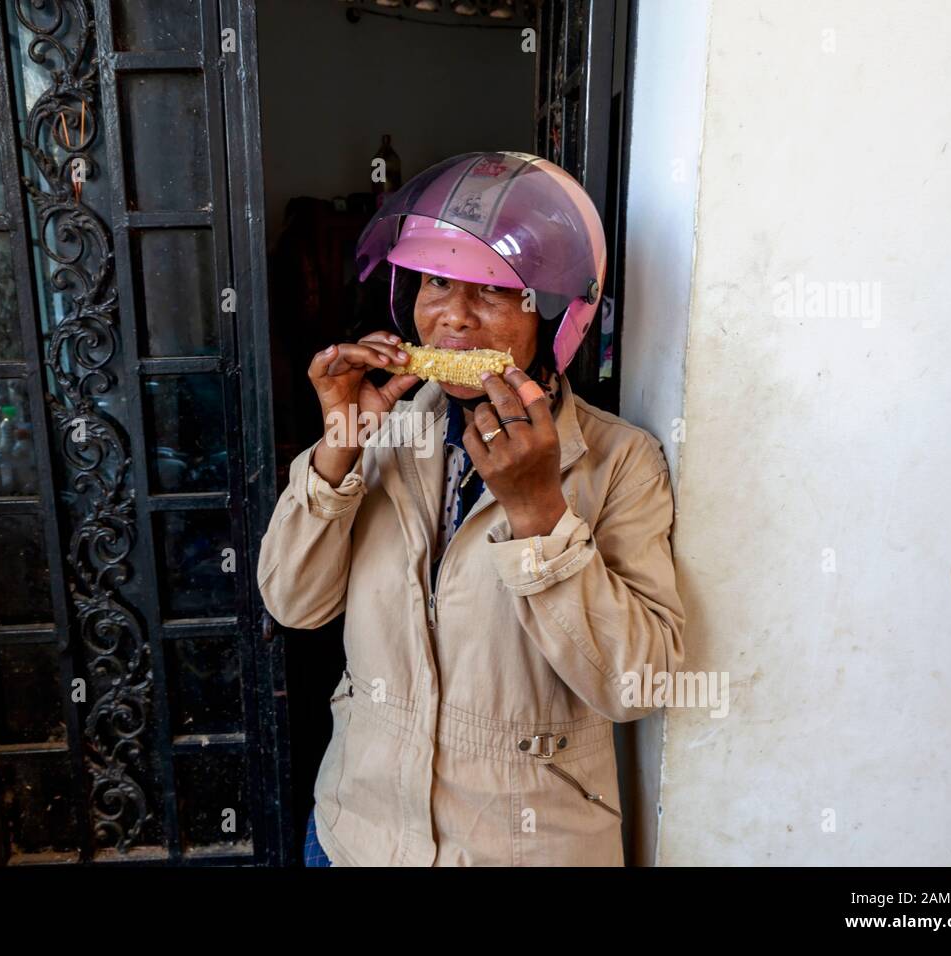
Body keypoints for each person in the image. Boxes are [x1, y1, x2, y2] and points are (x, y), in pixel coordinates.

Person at [259, 151, 686, 866]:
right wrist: (340, 447)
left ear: (555, 314)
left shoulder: (621, 461)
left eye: (492, 290)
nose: (451, 317)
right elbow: (294, 604)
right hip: (355, 836)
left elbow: (638, 684)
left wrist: (539, 512)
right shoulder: (382, 430)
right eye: (434, 282)